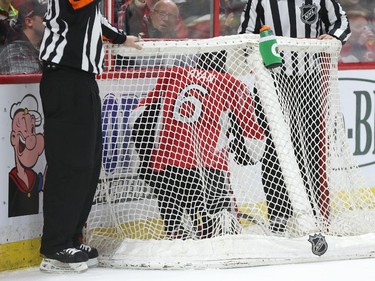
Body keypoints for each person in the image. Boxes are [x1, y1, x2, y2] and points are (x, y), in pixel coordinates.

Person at [38, 0, 142, 274]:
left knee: (88, 163)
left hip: (83, 80)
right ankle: (54, 245)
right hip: (64, 78)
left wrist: (121, 38)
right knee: (70, 164)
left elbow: (97, 21)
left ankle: (72, 237)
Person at [238, 0, 351, 234]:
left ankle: (310, 214)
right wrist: (259, 52)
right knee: (273, 151)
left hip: (308, 81)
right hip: (270, 83)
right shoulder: (259, 1)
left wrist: (334, 37)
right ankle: (279, 215)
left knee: (310, 150)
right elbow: (243, 37)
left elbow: (341, 23)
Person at [129, 55, 264, 239]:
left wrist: (147, 158)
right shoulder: (232, 84)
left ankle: (176, 233)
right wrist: (244, 154)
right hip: (209, 167)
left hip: (168, 164)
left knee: (173, 211)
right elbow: (252, 139)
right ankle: (210, 236)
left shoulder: (174, 75)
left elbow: (138, 116)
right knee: (218, 231)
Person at [0, 0, 46, 74]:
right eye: (45, 17)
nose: (51, 21)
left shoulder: (43, 47)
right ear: (29, 22)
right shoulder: (15, 52)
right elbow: (27, 84)